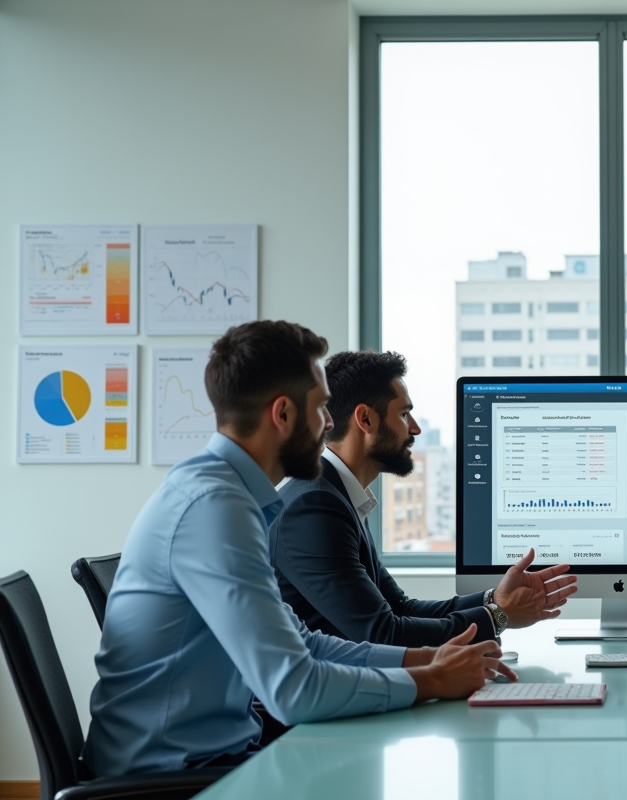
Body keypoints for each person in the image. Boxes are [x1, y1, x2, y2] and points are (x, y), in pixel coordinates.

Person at [82, 322, 514, 778]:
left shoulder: (230, 496)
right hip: (172, 777)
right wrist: (428, 680)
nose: (331, 423)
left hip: (212, 758)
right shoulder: (214, 508)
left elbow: (303, 644)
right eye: (323, 407)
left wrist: (427, 659)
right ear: (283, 414)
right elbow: (292, 690)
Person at [270, 350, 577, 648]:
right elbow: (382, 634)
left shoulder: (336, 495)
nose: (415, 428)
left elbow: (400, 608)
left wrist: (494, 599)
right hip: (313, 697)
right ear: (365, 419)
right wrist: (498, 616)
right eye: (404, 414)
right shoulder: (314, 507)